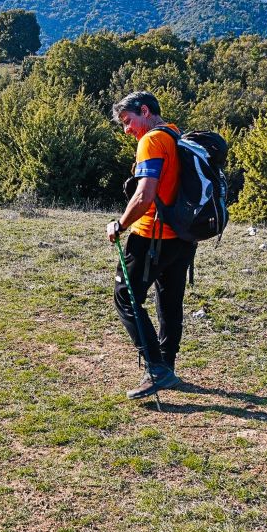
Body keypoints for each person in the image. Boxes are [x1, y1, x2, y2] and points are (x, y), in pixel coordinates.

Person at [106, 91, 196, 400]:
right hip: (183, 238)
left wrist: (120, 225)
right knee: (169, 302)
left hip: (151, 237)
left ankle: (156, 369)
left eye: (128, 121)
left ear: (145, 111)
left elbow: (145, 195)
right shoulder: (175, 134)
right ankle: (167, 368)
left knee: (125, 298)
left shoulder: (152, 141)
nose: (127, 130)